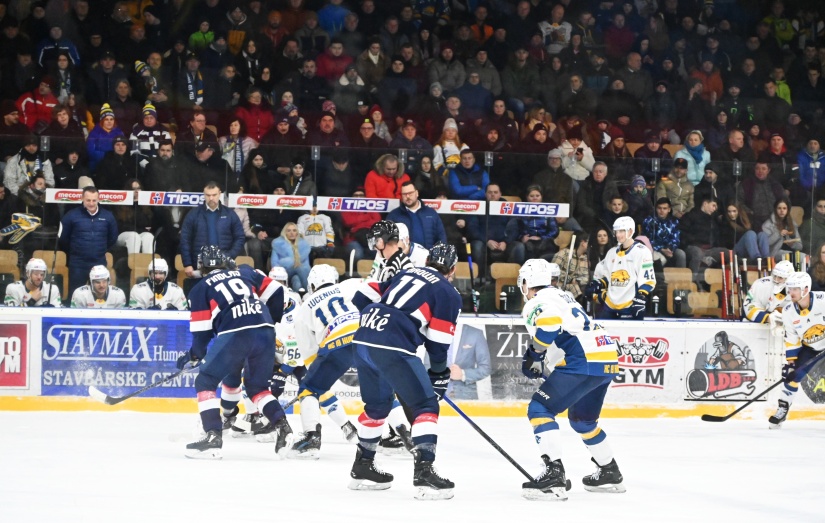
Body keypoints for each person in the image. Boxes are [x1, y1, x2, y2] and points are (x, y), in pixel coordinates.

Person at [349, 242, 462, 499]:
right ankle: (424, 472)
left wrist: (379, 323)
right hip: (392, 343)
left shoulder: (406, 272)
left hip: (364, 336)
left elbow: (362, 295)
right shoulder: (448, 292)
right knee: (426, 407)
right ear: (452, 269)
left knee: (377, 407)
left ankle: (363, 465)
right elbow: (437, 343)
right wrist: (438, 375)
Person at [518, 259, 624, 500]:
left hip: (582, 359)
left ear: (527, 282)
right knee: (582, 420)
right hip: (605, 355)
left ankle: (554, 473)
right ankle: (609, 470)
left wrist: (534, 354)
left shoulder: (537, 301)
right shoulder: (564, 296)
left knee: (540, 408)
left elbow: (549, 324)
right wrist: (540, 359)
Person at [178, 246, 293, 458]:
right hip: (265, 331)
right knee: (257, 387)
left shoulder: (199, 288)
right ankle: (283, 428)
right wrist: (270, 321)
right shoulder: (246, 271)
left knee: (205, 381)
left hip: (236, 333)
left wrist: (193, 355)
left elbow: (202, 337)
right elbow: (278, 292)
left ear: (201, 267)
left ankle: (213, 437)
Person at [287, 264, 404, 459]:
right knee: (383, 387)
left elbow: (310, 359)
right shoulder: (351, 285)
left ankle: (311, 438)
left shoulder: (304, 308)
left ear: (312, 285)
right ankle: (404, 436)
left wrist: (315, 383)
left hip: (335, 342)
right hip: (365, 337)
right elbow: (382, 291)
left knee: (310, 388)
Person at [771, 272, 825, 429]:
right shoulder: (788, 311)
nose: (791, 292)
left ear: (806, 289)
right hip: (811, 348)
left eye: (795, 288)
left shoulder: (823, 300)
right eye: (789, 288)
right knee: (791, 376)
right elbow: (792, 338)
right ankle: (783, 408)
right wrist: (791, 363)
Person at [587, 216, 656, 319]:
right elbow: (608, 277)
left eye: (622, 231)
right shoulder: (611, 252)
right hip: (609, 305)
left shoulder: (642, 251)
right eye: (617, 231)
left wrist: (641, 297)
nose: (618, 235)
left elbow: (648, 280)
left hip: (630, 305)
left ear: (631, 231)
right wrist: (598, 283)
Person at [58, 186, 118, 296]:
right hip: (77, 263)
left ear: (98, 199)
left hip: (99, 262)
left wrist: (100, 249)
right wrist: (75, 250)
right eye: (88, 200)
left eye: (94, 200)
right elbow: (63, 238)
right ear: (82, 199)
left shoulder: (108, 216)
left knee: (100, 295)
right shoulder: (71, 215)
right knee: (75, 294)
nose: (91, 203)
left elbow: (113, 238)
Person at [179, 182, 245, 279]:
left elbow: (240, 237)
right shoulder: (193, 214)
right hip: (199, 266)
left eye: (214, 195)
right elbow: (185, 239)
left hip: (224, 266)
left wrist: (229, 256)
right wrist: (187, 264)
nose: (211, 198)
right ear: (204, 194)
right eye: (208, 195)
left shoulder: (230, 214)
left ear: (219, 194)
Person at [386, 180, 446, 249]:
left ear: (417, 193)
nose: (407, 196)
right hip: (404, 258)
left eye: (410, 193)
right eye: (404, 194)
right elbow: (388, 241)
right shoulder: (394, 215)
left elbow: (441, 236)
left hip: (428, 257)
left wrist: (437, 255)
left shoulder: (431, 213)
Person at [643, 198, 686, 269]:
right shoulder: (649, 221)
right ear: (656, 209)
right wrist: (661, 249)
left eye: (664, 208)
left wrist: (670, 248)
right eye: (659, 208)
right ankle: (658, 279)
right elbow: (647, 240)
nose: (662, 211)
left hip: (670, 249)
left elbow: (676, 239)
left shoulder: (674, 221)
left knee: (681, 254)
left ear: (669, 209)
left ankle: (681, 278)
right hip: (654, 249)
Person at [271, 222, 311, 292]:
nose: (292, 233)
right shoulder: (278, 244)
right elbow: (274, 264)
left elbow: (306, 265)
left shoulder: (304, 245)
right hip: (283, 273)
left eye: (294, 230)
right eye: (289, 231)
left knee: (297, 282)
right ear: (285, 232)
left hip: (299, 274)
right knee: (301, 267)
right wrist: (292, 262)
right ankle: (309, 292)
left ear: (297, 232)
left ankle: (297, 298)